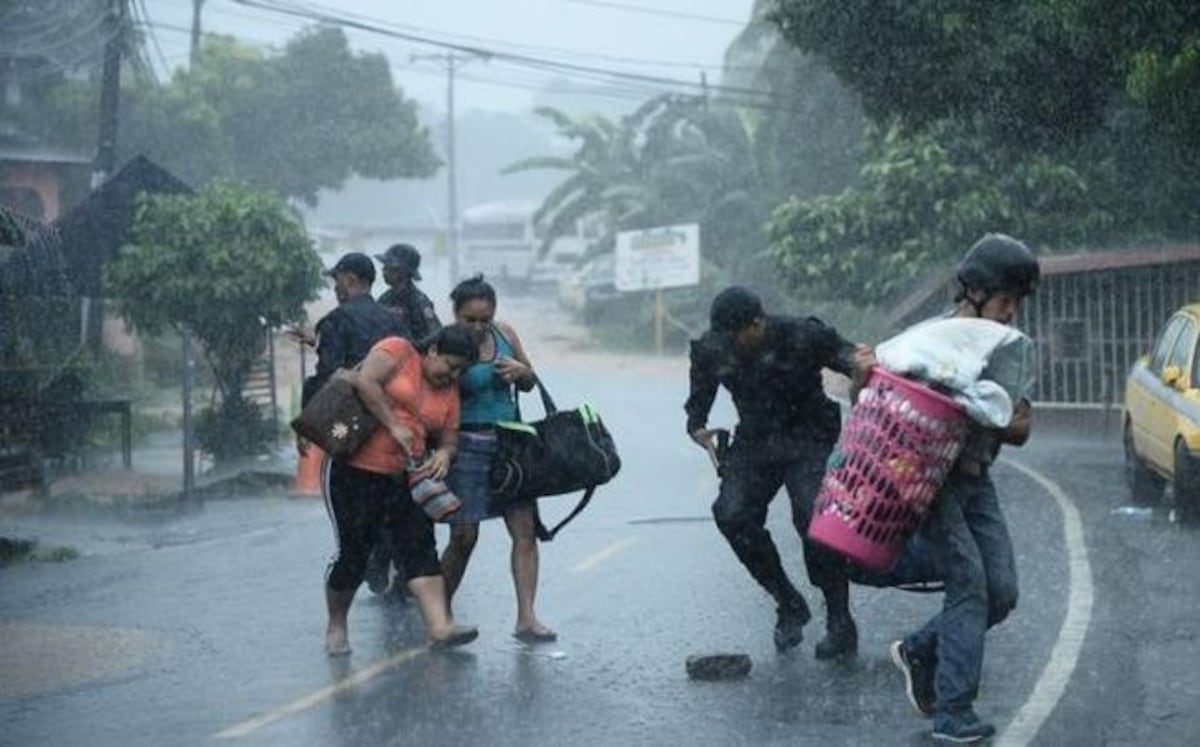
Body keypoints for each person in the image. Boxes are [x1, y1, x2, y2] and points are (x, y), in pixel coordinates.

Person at [884, 233, 1039, 744]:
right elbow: (883, 394)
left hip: (978, 480)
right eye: (1004, 300)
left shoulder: (1008, 352)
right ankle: (953, 714)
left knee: (1003, 592)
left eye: (1017, 302)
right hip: (933, 483)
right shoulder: (927, 343)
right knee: (970, 584)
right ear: (973, 292)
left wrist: (977, 406)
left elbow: (1020, 427)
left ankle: (920, 649)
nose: (1012, 311)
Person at [685, 286, 870, 656]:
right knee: (732, 515)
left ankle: (839, 618)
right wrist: (701, 433)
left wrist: (862, 362)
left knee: (813, 518)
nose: (731, 345)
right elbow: (697, 411)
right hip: (756, 440)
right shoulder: (712, 349)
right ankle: (787, 601)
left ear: (759, 323)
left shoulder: (804, 334)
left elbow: (853, 359)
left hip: (809, 438)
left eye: (737, 336)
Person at [322, 324, 480, 656]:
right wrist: (393, 425)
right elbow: (365, 380)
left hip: (406, 477)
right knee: (354, 554)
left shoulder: (449, 392)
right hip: (355, 470)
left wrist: (443, 454)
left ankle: (440, 626)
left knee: (420, 547)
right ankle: (337, 625)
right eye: (450, 365)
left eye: (460, 371)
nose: (452, 375)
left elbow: (450, 436)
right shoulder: (398, 350)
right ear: (433, 350)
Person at [438, 274, 557, 643]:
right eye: (469, 319)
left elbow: (530, 382)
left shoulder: (505, 333)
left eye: (483, 319)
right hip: (466, 446)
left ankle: (527, 617)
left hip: (511, 445)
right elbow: (432, 392)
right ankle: (438, 614)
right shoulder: (445, 342)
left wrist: (523, 373)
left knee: (524, 532)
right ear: (455, 314)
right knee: (464, 535)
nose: (477, 326)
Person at [300, 252, 406, 407]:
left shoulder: (336, 320)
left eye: (337, 280)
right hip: (390, 409)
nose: (335, 288)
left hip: (350, 416)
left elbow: (328, 375)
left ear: (350, 280)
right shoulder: (394, 320)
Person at [376, 243, 441, 342]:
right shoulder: (385, 298)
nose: (384, 271)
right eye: (384, 267)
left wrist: (416, 348)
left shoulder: (418, 301)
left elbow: (435, 332)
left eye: (390, 268)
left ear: (405, 271)